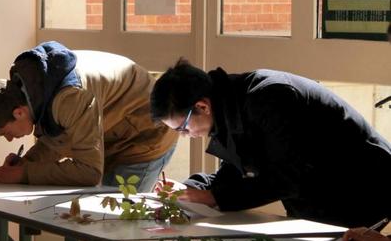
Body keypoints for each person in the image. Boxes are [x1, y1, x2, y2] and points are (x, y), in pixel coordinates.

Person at [0, 41, 177, 241]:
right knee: (115, 239)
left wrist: (24, 172)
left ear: (18, 112)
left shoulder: (67, 97)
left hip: (146, 137)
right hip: (114, 135)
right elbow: (56, 135)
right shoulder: (33, 87)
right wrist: (27, 163)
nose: (10, 139)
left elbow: (88, 172)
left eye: (6, 132)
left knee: (111, 238)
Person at [150, 58, 391, 228]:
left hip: (360, 186)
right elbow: (233, 173)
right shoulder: (228, 107)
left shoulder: (269, 98)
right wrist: (189, 189)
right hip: (322, 191)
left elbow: (288, 179)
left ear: (202, 106)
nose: (184, 135)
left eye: (183, 127)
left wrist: (214, 197)